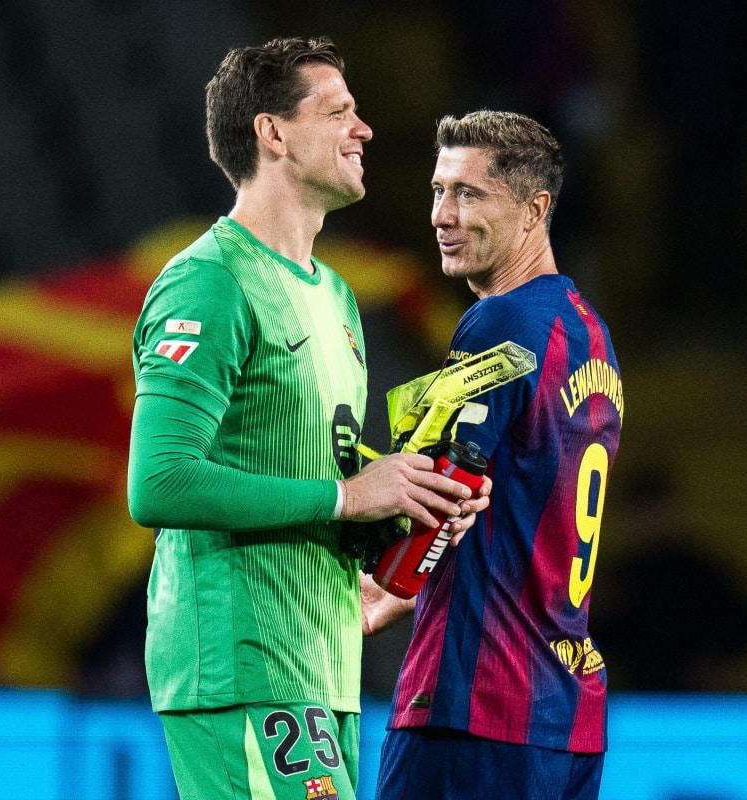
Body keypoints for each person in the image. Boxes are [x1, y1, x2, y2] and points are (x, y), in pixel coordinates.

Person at [126, 37, 487, 800]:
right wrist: (349, 497)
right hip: (241, 661)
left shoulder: (335, 296)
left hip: (320, 660)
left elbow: (318, 471)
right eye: (338, 112)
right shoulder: (209, 283)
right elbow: (159, 482)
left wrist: (412, 503)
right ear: (273, 133)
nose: (364, 129)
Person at [362, 110, 623, 799]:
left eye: (468, 193)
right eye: (438, 190)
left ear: (535, 210)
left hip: (477, 704)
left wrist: (381, 583)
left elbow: (444, 481)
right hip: (567, 710)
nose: (441, 215)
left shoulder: (500, 321)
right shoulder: (591, 335)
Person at [588, 463, 747, 692]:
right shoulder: (618, 577)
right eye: (639, 514)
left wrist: (715, 664)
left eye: (654, 512)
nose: (647, 523)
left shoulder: (700, 573)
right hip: (639, 697)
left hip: (698, 700)